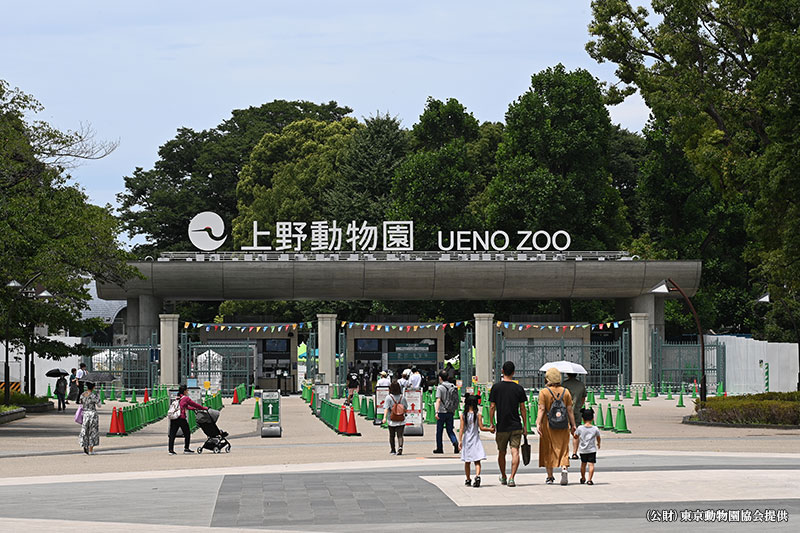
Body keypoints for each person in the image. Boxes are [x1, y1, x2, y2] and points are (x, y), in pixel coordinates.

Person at [489, 361, 528, 487]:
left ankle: (504, 476)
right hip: (516, 425)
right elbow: (523, 408)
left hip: (502, 426)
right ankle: (512, 477)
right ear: (514, 372)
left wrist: (491, 423)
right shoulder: (518, 388)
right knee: (515, 451)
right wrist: (525, 425)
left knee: (501, 452)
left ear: (502, 371)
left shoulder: (496, 387)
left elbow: (492, 406)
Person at [536, 367, 577, 485]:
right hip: (563, 424)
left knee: (548, 448)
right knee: (563, 447)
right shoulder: (566, 391)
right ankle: (564, 468)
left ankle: (550, 476)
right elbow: (570, 410)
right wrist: (573, 425)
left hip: (548, 424)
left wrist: (538, 423)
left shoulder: (544, 392)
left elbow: (541, 409)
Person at [458, 394, 493, 487]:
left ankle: (468, 479)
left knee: (467, 461)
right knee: (477, 460)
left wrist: (460, 440)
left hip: (467, 439)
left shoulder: (463, 415)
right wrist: (490, 429)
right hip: (475, 439)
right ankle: (477, 476)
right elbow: (481, 428)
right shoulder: (478, 415)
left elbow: (461, 429)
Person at [168, 384, 209, 455]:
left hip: (174, 418)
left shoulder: (177, 398)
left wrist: (193, 409)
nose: (187, 391)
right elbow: (194, 404)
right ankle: (186, 449)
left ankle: (171, 450)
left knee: (172, 434)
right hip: (181, 418)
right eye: (187, 390)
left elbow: (185, 406)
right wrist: (203, 408)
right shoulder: (186, 398)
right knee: (187, 433)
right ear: (184, 391)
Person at [433, 370, 459, 454]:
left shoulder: (440, 387)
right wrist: (454, 409)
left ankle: (439, 448)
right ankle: (455, 442)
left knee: (439, 431)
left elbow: (438, 400)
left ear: (440, 378)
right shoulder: (453, 386)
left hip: (441, 411)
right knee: (450, 429)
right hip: (450, 411)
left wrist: (436, 412)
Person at [573, 408, 601, 485]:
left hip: (583, 450)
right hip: (592, 449)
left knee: (583, 464)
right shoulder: (595, 428)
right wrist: (598, 443)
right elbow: (598, 437)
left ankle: (583, 477)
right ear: (592, 418)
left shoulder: (580, 428)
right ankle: (589, 479)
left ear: (583, 418)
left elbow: (575, 436)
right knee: (591, 464)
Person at [562, 372, 587, 459]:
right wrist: (579, 405)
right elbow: (583, 397)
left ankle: (565, 453)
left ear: (567, 374)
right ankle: (575, 453)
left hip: (565, 411)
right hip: (577, 410)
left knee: (565, 433)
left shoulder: (564, 385)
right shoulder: (581, 385)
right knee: (575, 432)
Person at [383, 381, 409, 455]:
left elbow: (386, 408)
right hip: (401, 419)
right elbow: (406, 407)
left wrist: (384, 417)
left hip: (391, 419)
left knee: (392, 435)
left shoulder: (388, 397)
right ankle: (400, 447)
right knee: (400, 435)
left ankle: (393, 450)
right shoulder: (402, 397)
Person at [78, 382, 101, 455]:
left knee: (85, 430)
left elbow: (80, 403)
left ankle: (85, 445)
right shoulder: (94, 395)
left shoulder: (83, 395)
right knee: (93, 431)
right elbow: (99, 405)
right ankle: (91, 449)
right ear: (93, 387)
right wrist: (98, 396)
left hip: (85, 413)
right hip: (92, 414)